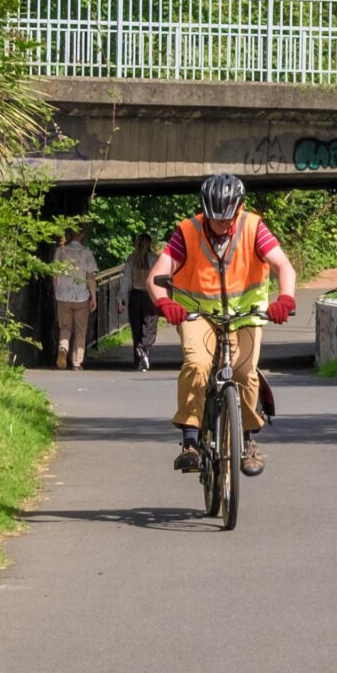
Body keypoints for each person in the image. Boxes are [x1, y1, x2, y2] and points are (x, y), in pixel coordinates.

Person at [152, 172, 298, 478]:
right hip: (197, 314)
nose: (221, 225)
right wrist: (166, 303)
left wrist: (285, 299)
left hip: (245, 315)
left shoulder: (254, 227)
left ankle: (247, 440)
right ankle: (190, 441)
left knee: (245, 372)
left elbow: (283, 266)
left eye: (227, 218)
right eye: (214, 218)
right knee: (197, 363)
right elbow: (157, 275)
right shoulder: (187, 231)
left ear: (239, 207)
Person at [49, 225, 100, 370]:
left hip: (63, 296)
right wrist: (93, 297)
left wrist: (56, 291)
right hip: (81, 297)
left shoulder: (61, 251)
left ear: (70, 234)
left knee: (65, 327)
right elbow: (90, 276)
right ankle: (77, 362)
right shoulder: (87, 253)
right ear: (82, 235)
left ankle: (63, 348)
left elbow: (54, 274)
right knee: (80, 330)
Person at [121, 231, 162, 372]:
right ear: (150, 243)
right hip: (149, 296)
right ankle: (145, 350)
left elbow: (126, 280)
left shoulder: (132, 259)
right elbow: (159, 279)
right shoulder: (155, 259)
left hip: (135, 296)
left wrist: (122, 298)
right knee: (150, 325)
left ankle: (138, 357)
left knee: (136, 327)